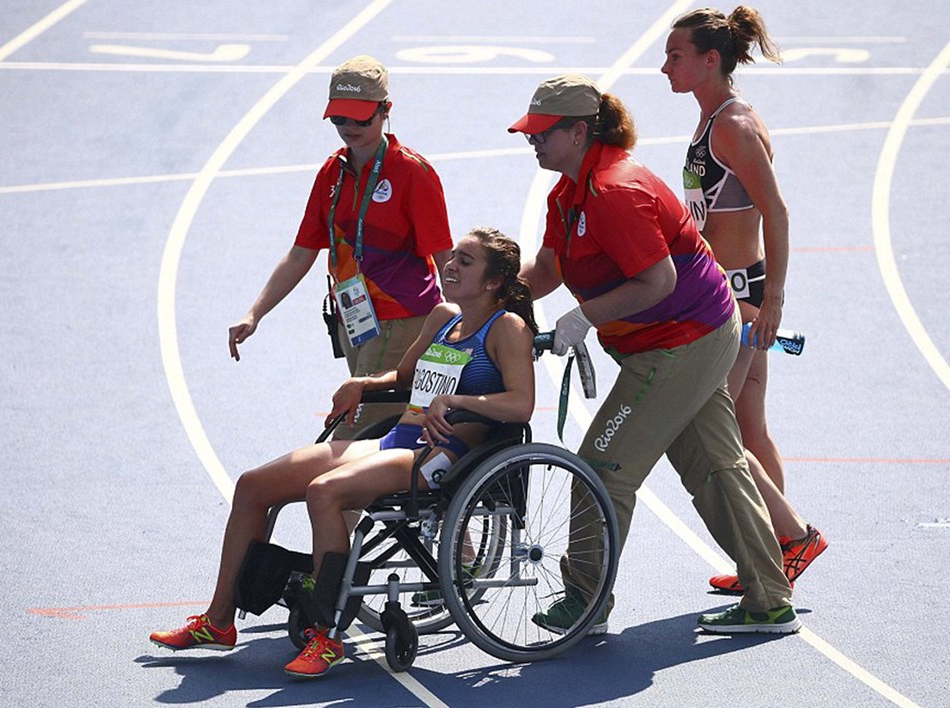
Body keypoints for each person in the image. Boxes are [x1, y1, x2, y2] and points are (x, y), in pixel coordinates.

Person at [151, 228, 538, 678]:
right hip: (394, 441)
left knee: (325, 492)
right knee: (253, 486)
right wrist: (364, 384)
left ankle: (327, 633)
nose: (450, 264)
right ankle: (218, 622)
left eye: (466, 261)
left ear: (493, 281)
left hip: (442, 457)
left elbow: (520, 404)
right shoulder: (443, 317)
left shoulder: (507, 328)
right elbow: (405, 376)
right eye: (452, 256)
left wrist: (457, 402)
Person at [508, 74, 801, 634]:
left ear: (578, 131)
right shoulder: (568, 192)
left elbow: (657, 280)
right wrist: (495, 299)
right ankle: (769, 600)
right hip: (690, 334)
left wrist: (582, 316)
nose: (534, 141)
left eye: (543, 132)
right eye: (530, 132)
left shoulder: (616, 191)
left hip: (679, 343)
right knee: (714, 465)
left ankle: (586, 604)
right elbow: (546, 270)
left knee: (600, 466)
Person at [662, 6, 826, 594]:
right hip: (733, 291)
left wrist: (774, 298)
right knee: (750, 427)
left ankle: (790, 538)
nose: (664, 67)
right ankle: (782, 554)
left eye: (675, 55)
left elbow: (775, 212)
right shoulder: (714, 121)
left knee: (718, 430)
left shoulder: (732, 125)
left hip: (738, 298)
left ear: (711, 60)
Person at [227, 55, 454, 439]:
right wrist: (255, 313)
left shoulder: (413, 173)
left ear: (386, 111)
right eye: (339, 119)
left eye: (361, 118)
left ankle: (335, 498)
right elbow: (302, 253)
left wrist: (465, 326)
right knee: (384, 433)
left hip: (402, 320)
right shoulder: (332, 172)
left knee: (348, 438)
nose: (349, 127)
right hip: (355, 322)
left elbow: (445, 257)